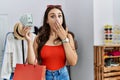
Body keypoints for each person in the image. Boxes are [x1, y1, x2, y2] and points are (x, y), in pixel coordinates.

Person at [23, 5, 78, 80]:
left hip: (63, 75)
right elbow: (31, 62)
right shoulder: (39, 38)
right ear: (47, 20)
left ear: (62, 19)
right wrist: (29, 41)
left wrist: (64, 39)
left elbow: (73, 62)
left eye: (59, 16)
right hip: (45, 76)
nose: (57, 19)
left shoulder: (68, 37)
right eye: (52, 16)